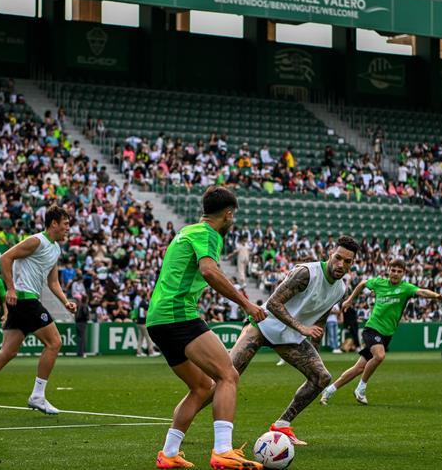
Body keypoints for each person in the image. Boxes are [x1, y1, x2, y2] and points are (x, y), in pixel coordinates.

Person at [147, 186, 266, 470]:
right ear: (228, 214)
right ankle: (223, 450)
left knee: (201, 387)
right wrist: (246, 304)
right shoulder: (208, 234)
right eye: (232, 216)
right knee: (228, 374)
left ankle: (169, 454)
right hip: (178, 315)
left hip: (158, 319)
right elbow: (209, 271)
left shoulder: (188, 231)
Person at [210, 236, 358, 446]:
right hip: (262, 325)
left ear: (353, 263)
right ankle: (184, 419)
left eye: (348, 261)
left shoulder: (340, 289)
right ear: (330, 253)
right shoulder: (307, 273)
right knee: (225, 376)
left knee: (321, 377)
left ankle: (282, 425)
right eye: (338, 258)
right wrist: (301, 327)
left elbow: (321, 317)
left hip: (289, 338)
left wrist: (314, 345)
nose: (341, 264)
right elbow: (273, 304)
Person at [0, 205, 77, 417]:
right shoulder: (36, 240)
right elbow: (5, 258)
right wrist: (11, 288)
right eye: (66, 224)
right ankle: (37, 395)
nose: (68, 228)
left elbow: (53, 282)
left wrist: (65, 302)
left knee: (8, 352)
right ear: (54, 223)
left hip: (23, 302)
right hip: (25, 300)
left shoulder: (55, 249)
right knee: (54, 343)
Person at [320, 259, 442, 406]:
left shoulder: (406, 288)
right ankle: (361, 388)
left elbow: (421, 292)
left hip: (387, 334)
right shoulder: (379, 283)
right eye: (393, 270)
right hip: (372, 328)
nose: (395, 274)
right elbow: (362, 284)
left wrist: (437, 296)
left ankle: (329, 390)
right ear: (388, 270)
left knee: (359, 367)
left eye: (399, 271)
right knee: (380, 355)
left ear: (403, 273)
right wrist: (350, 300)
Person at [134, 293, 157, 358]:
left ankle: (139, 352)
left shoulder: (141, 303)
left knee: (140, 338)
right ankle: (151, 352)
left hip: (139, 323)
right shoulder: (145, 304)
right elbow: (146, 313)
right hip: (143, 323)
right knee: (148, 338)